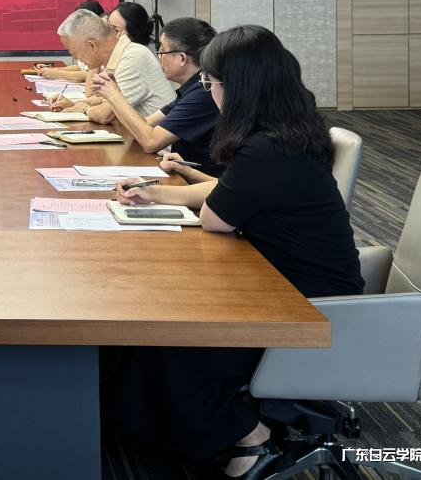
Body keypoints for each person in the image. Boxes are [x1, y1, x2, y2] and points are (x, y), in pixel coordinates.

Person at [110, 25, 363, 479]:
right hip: (288, 280)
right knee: (161, 335)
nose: (209, 92)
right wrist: (154, 192)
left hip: (305, 303)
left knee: (174, 346)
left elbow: (216, 217)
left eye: (211, 82)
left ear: (239, 86)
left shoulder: (267, 148)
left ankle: (251, 437)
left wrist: (170, 192)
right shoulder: (285, 131)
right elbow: (226, 191)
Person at [91, 17, 222, 175]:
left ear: (182, 58)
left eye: (162, 51)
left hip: (201, 184)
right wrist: (116, 94)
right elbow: (146, 123)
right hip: (183, 175)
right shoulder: (192, 87)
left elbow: (151, 142)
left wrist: (113, 96)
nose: (159, 57)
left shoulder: (203, 92)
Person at [52, 8, 174, 123]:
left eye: (73, 53)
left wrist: (83, 109)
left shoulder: (132, 58)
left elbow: (105, 115)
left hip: (158, 137)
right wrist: (74, 104)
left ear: (92, 46)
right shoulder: (115, 57)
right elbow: (102, 100)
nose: (75, 58)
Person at [35, 0, 105, 80]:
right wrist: (51, 70)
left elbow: (91, 74)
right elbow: (80, 67)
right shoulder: (85, 40)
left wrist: (57, 73)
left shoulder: (100, 43)